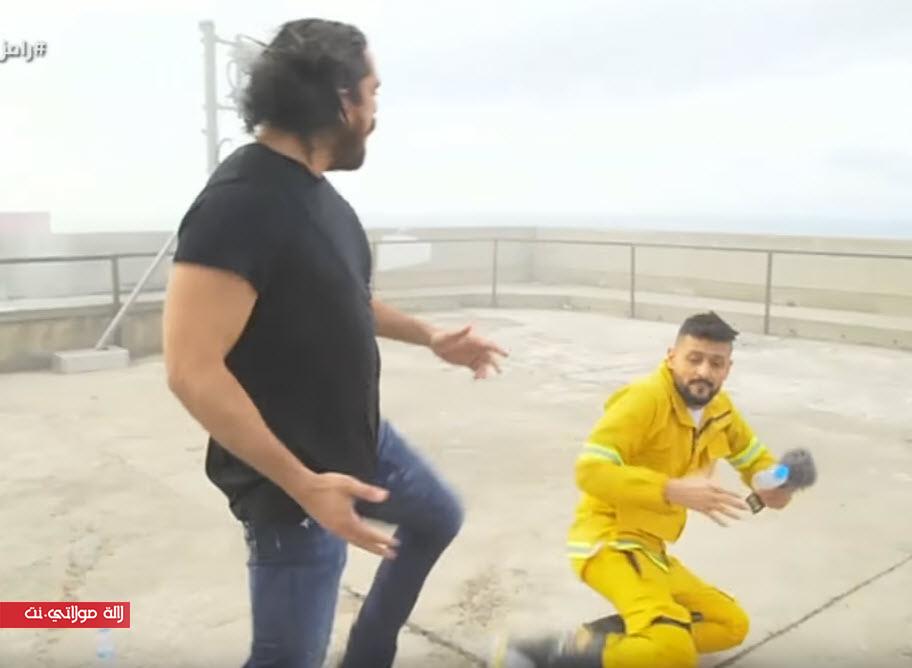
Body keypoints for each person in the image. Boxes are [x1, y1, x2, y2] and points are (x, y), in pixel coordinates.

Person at [163, 18, 507, 668]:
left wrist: (429, 335)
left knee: (437, 517)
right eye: (372, 94)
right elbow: (191, 368)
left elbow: (342, 299)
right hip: (296, 485)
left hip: (361, 442)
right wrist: (304, 484)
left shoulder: (321, 200)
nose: (376, 114)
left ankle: (369, 653)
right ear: (341, 100)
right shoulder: (239, 204)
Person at [493, 312, 795, 668]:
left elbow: (755, 459)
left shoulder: (720, 411)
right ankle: (539, 653)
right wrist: (671, 489)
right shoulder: (645, 399)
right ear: (672, 357)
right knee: (674, 653)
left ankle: (593, 642)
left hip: (651, 551)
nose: (703, 372)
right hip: (610, 540)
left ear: (728, 369)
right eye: (694, 359)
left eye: (716, 363)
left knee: (730, 625)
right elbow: (590, 470)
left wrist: (773, 484)